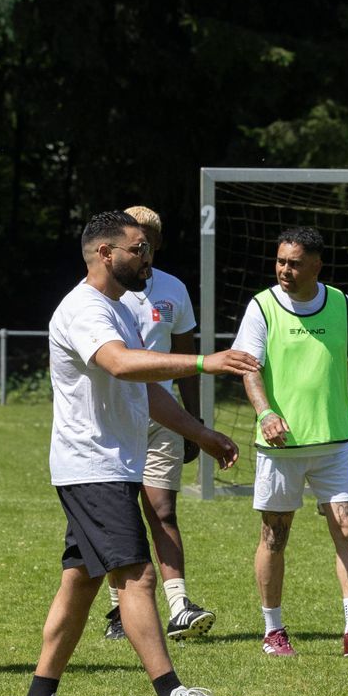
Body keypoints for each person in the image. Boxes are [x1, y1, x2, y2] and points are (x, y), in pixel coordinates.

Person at [15, 211, 254, 696]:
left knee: (80, 581)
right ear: (105, 253)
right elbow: (121, 365)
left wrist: (200, 433)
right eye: (137, 249)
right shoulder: (84, 310)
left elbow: (143, 390)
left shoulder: (119, 308)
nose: (147, 259)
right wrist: (201, 363)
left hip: (109, 464)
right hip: (92, 465)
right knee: (138, 577)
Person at [233, 227, 348, 657]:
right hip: (281, 448)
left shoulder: (340, 303)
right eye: (280, 261)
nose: (284, 270)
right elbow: (248, 368)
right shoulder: (262, 306)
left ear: (316, 264)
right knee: (275, 537)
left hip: (333, 443)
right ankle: (273, 630)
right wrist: (266, 413)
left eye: (294, 263)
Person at [94, 205, 217, 643]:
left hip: (162, 415)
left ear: (156, 245)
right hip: (113, 417)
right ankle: (117, 611)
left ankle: (180, 605)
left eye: (145, 240)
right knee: (118, 513)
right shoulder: (102, 291)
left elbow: (184, 359)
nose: (138, 247)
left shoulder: (174, 289)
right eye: (131, 239)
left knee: (163, 510)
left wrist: (193, 422)